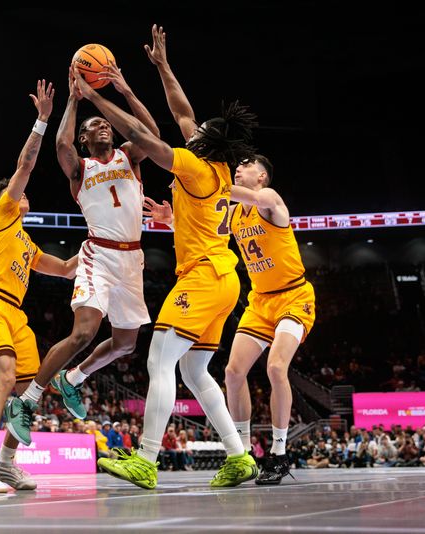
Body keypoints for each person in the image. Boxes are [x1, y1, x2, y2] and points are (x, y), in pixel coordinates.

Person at [76, 25, 258, 489]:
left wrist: (97, 98)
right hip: (225, 279)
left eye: (197, 133)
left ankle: (147, 459)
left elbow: (140, 132)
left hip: (201, 277)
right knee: (195, 370)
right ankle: (240, 457)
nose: (190, 130)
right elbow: (181, 109)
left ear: (204, 143)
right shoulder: (213, 164)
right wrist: (160, 67)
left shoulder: (194, 164)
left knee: (159, 361)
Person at [20, 63, 159, 421]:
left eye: (105, 123)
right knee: (84, 333)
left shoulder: (130, 155)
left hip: (133, 260)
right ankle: (28, 400)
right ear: (84, 139)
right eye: (94, 125)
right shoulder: (80, 168)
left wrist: (125, 90)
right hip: (98, 256)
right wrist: (73, 100)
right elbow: (61, 143)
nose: (103, 125)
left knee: (126, 343)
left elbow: (151, 133)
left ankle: (73, 378)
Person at [0, 80, 78, 493]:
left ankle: (7, 463)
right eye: (19, 192)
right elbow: (25, 165)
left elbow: (65, 269)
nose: (25, 193)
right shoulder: (2, 217)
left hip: (16, 313)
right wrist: (43, 120)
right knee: (5, 378)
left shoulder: (26, 242)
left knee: (29, 392)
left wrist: (104, 239)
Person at [219, 154, 317, 485]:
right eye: (238, 166)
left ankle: (278, 453)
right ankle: (243, 452)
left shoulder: (269, 199)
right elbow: (203, 225)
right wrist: (169, 218)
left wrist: (213, 183)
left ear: (262, 175)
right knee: (232, 372)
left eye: (246, 165)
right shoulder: (233, 213)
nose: (239, 168)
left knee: (276, 367)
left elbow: (250, 197)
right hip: (260, 302)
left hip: (294, 296)